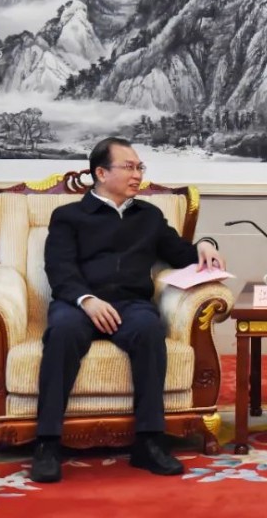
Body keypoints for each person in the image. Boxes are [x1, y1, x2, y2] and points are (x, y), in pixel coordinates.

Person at [31, 137, 225, 483]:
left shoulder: (148, 216)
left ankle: (149, 442)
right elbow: (59, 269)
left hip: (131, 305)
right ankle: (47, 443)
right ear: (101, 173)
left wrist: (206, 245)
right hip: (79, 303)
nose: (138, 175)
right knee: (62, 332)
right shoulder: (69, 216)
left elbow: (181, 253)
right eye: (129, 167)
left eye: (140, 167)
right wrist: (86, 300)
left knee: (149, 331)